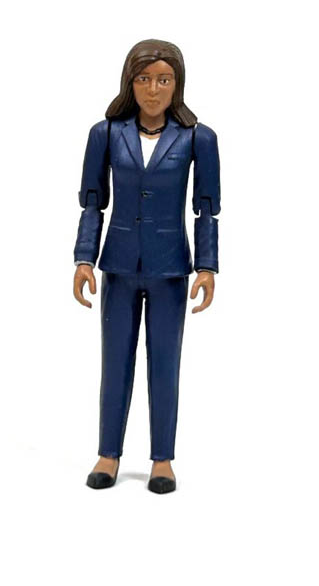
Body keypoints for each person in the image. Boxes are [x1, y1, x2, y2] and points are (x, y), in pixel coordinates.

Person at [73, 39, 221, 494]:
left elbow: (206, 208)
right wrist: (84, 258)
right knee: (115, 362)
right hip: (118, 265)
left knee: (165, 364)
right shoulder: (106, 133)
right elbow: (93, 202)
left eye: (163, 80)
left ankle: (162, 459)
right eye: (143, 79)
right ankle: (108, 453)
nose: (153, 90)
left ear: (177, 84)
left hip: (170, 268)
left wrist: (207, 266)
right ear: (129, 82)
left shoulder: (197, 138)